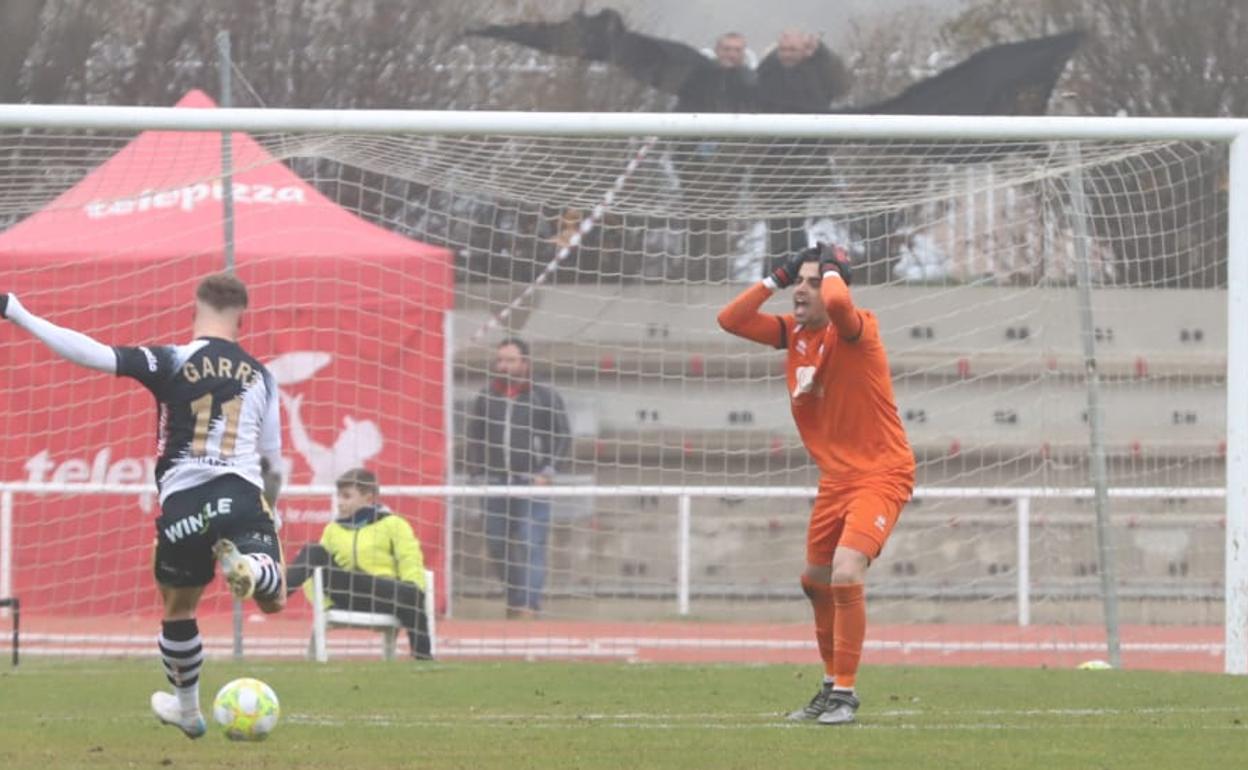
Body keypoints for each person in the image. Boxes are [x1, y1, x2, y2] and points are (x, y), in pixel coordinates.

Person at [1, 274, 287, 739]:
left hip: (183, 504)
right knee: (273, 600)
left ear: (194, 311)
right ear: (242, 318)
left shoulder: (170, 358)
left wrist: (17, 310)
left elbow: (92, 353)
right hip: (240, 493)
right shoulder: (261, 375)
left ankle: (188, 709)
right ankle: (256, 568)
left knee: (178, 608)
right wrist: (270, 513)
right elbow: (273, 465)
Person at [716, 243, 914, 726]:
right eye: (796, 282)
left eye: (810, 282)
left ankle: (846, 693)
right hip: (836, 480)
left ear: (833, 285)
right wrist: (775, 277)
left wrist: (831, 267)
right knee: (815, 582)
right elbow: (730, 319)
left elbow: (841, 305)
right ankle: (829, 686)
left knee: (847, 571)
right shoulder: (795, 334)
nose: (799, 291)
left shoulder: (856, 329)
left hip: (882, 472)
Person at [465, 337, 571, 619]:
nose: (504, 366)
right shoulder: (487, 397)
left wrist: (548, 471)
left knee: (530, 540)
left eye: (510, 360)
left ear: (525, 363)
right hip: (497, 482)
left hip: (531, 480)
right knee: (497, 542)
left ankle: (529, 604)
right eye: (500, 360)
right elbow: (475, 436)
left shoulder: (544, 395)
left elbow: (562, 434)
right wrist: (477, 473)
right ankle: (514, 599)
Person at [285, 467, 433, 659]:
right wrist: (324, 604)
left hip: (382, 595)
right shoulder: (332, 529)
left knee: (412, 593)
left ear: (369, 498)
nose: (339, 503)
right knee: (314, 551)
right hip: (344, 594)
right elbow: (315, 575)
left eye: (346, 497)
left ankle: (423, 658)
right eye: (339, 496)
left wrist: (414, 586)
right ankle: (277, 591)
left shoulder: (394, 524)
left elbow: (410, 559)